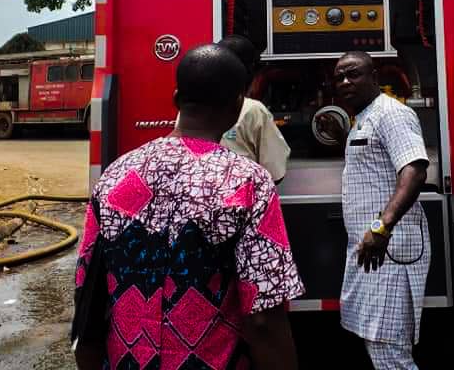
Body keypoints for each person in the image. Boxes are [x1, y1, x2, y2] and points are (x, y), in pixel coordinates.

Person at [72, 44, 303, 370]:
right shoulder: (246, 183)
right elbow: (264, 319)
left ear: (176, 98)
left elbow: (88, 292)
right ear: (238, 105)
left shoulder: (118, 175)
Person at [334, 51, 430, 370]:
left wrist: (382, 226)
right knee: (381, 346)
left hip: (389, 249)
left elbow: (414, 170)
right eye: (339, 77)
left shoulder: (391, 113)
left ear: (374, 77)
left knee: (389, 350)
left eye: (353, 74)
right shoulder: (365, 117)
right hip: (375, 252)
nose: (345, 81)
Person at [218, 34, 291, 183]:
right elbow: (275, 173)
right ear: (249, 70)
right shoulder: (252, 109)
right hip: (240, 201)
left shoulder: (191, 110)